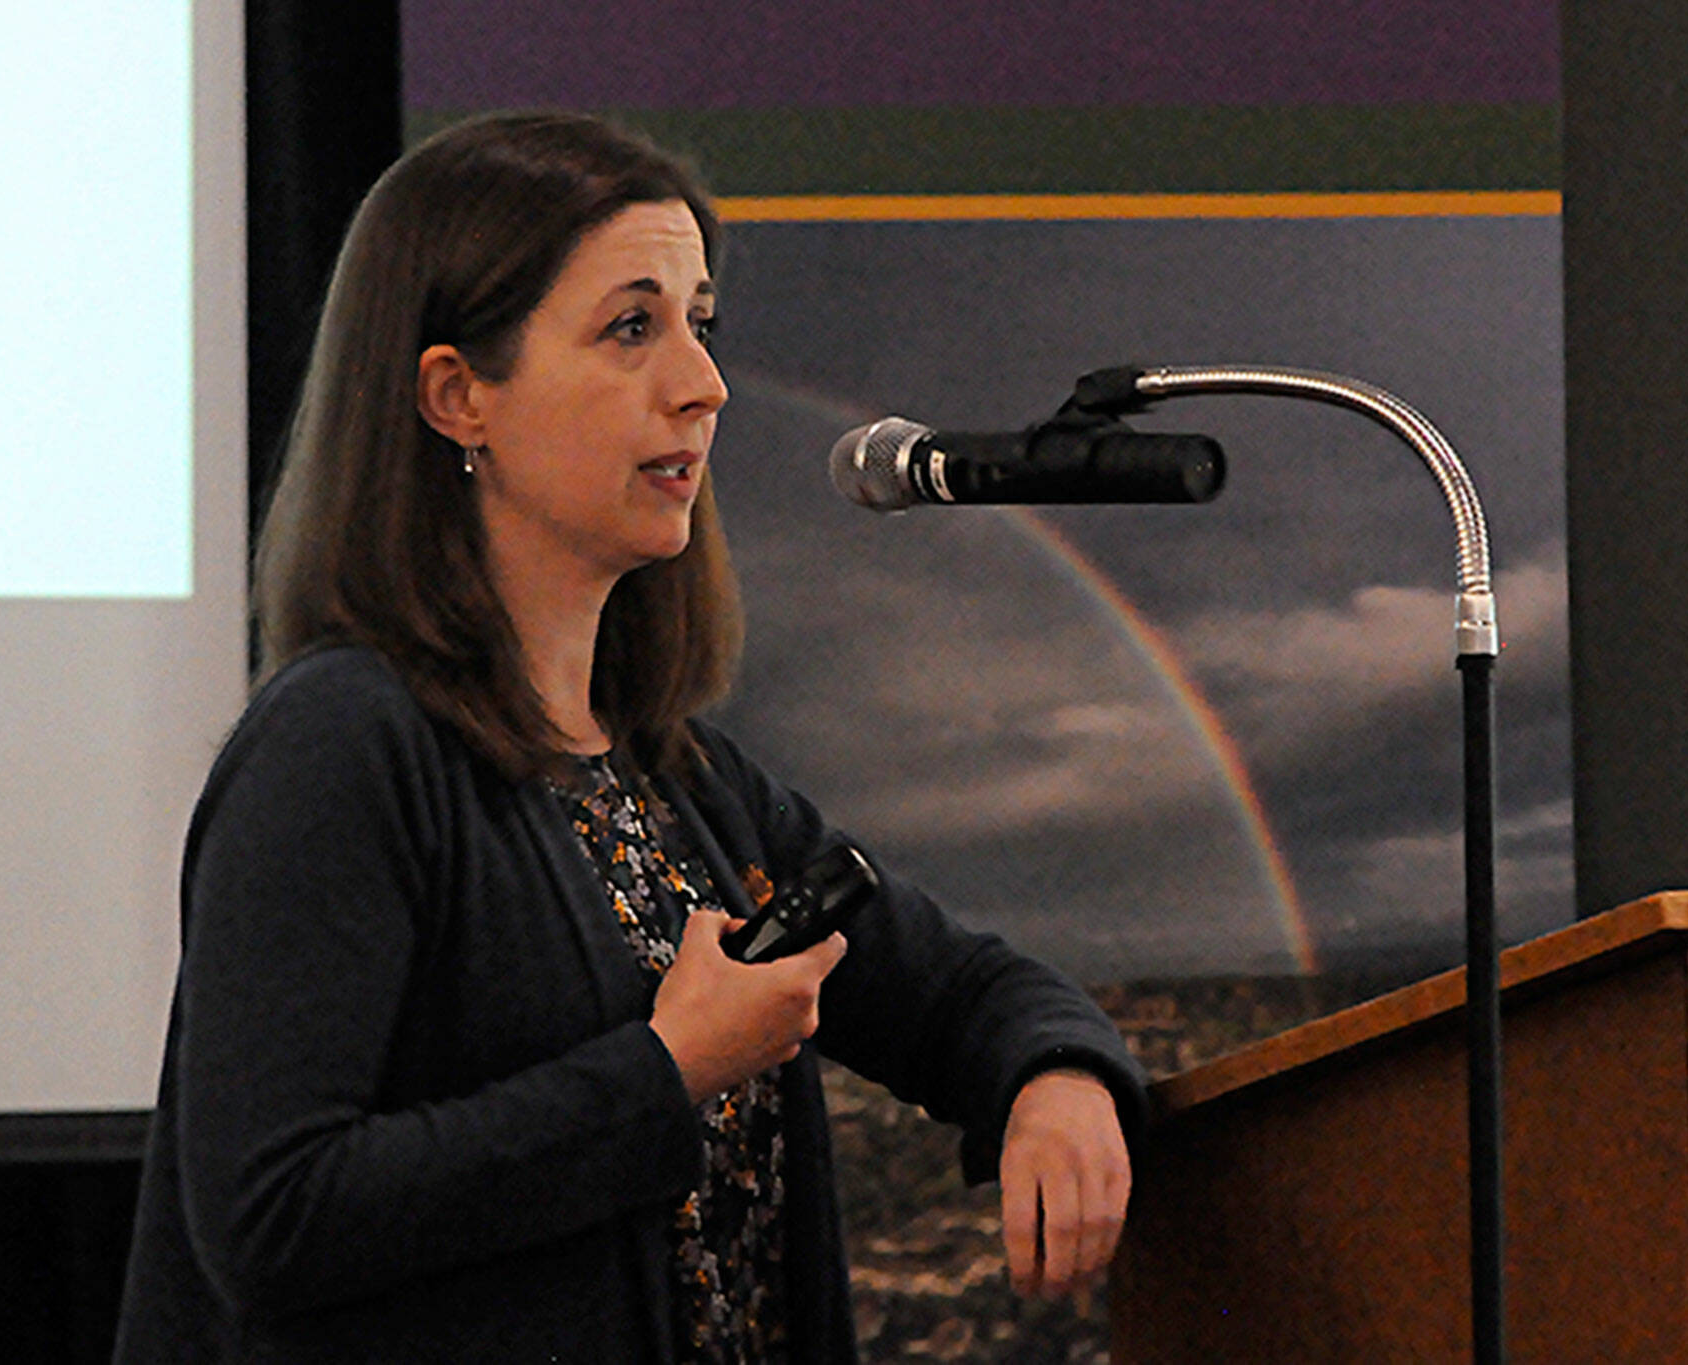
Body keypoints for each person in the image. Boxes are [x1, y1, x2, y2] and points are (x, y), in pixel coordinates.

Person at [114, 110, 1148, 1363]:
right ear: (457, 396)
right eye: (629, 327)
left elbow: (964, 992)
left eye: (698, 323)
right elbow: (267, 1217)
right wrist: (664, 1073)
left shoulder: (681, 782)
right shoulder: (342, 744)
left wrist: (1055, 1077)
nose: (702, 383)